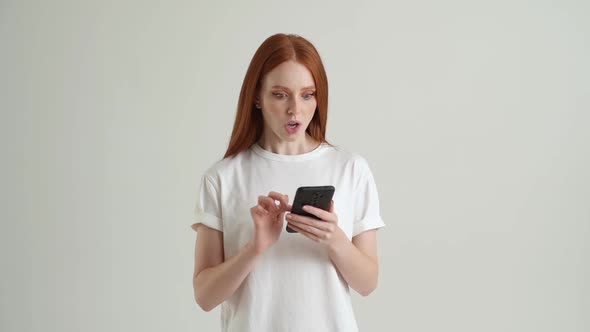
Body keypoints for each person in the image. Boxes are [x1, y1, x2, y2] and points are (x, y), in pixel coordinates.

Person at [191, 33, 385, 332]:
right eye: (280, 94)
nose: (295, 109)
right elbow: (205, 296)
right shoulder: (223, 177)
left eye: (307, 94)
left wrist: (334, 239)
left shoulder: (351, 169)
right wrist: (256, 247)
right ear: (257, 97)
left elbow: (368, 283)